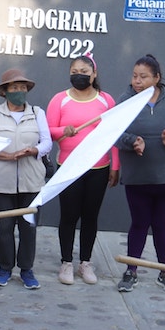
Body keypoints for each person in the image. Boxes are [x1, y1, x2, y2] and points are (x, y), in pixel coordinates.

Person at [115, 54, 165, 294]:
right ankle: (131, 271)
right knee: (139, 223)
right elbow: (114, 132)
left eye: (143, 77)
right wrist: (132, 142)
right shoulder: (126, 99)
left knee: (162, 225)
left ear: (156, 78)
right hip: (137, 176)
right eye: (135, 76)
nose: (137, 81)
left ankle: (164, 272)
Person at [46, 53, 119, 285]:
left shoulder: (106, 100)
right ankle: (66, 262)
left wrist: (115, 165)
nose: (79, 76)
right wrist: (61, 132)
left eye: (84, 72)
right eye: (74, 72)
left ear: (94, 74)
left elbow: (114, 134)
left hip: (98, 167)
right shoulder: (60, 99)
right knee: (68, 216)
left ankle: (85, 263)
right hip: (69, 167)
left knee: (90, 216)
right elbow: (48, 131)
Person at [0, 68, 52, 289]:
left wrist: (34, 150)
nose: (19, 91)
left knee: (28, 228)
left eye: (22, 87)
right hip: (2, 182)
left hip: (32, 181)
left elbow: (47, 143)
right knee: (4, 229)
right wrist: (9, 156)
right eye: (14, 88)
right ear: (5, 92)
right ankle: (4, 269)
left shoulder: (37, 113)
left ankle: (27, 271)